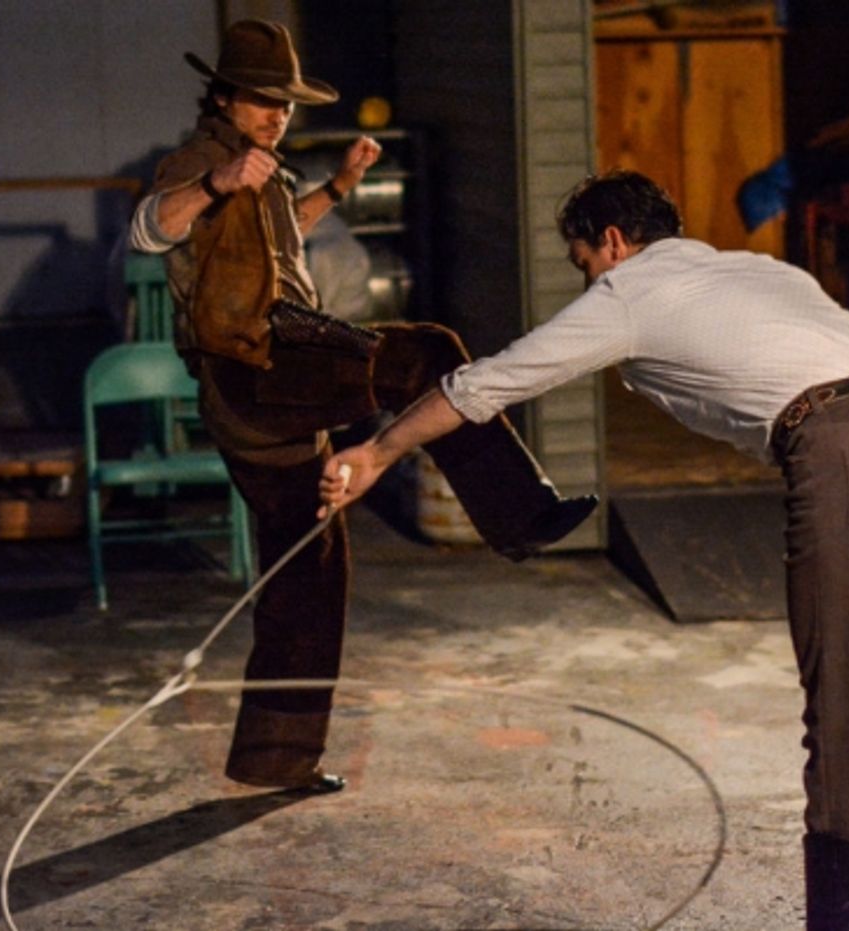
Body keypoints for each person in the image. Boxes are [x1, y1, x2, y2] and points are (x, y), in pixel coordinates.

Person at [319, 170, 849, 929]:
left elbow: (484, 385)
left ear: (614, 244)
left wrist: (379, 450)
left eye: (583, 262)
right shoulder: (757, 269)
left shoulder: (627, 293)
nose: (587, 280)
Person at [128, 20, 595, 794]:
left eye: (285, 103)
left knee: (308, 573)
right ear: (225, 96)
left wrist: (339, 186)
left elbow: (277, 244)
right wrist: (215, 183)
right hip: (259, 370)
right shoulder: (203, 160)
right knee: (428, 354)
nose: (277, 114)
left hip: (270, 394)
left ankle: (273, 759)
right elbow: (149, 229)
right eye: (262, 100)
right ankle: (520, 515)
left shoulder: (262, 170)